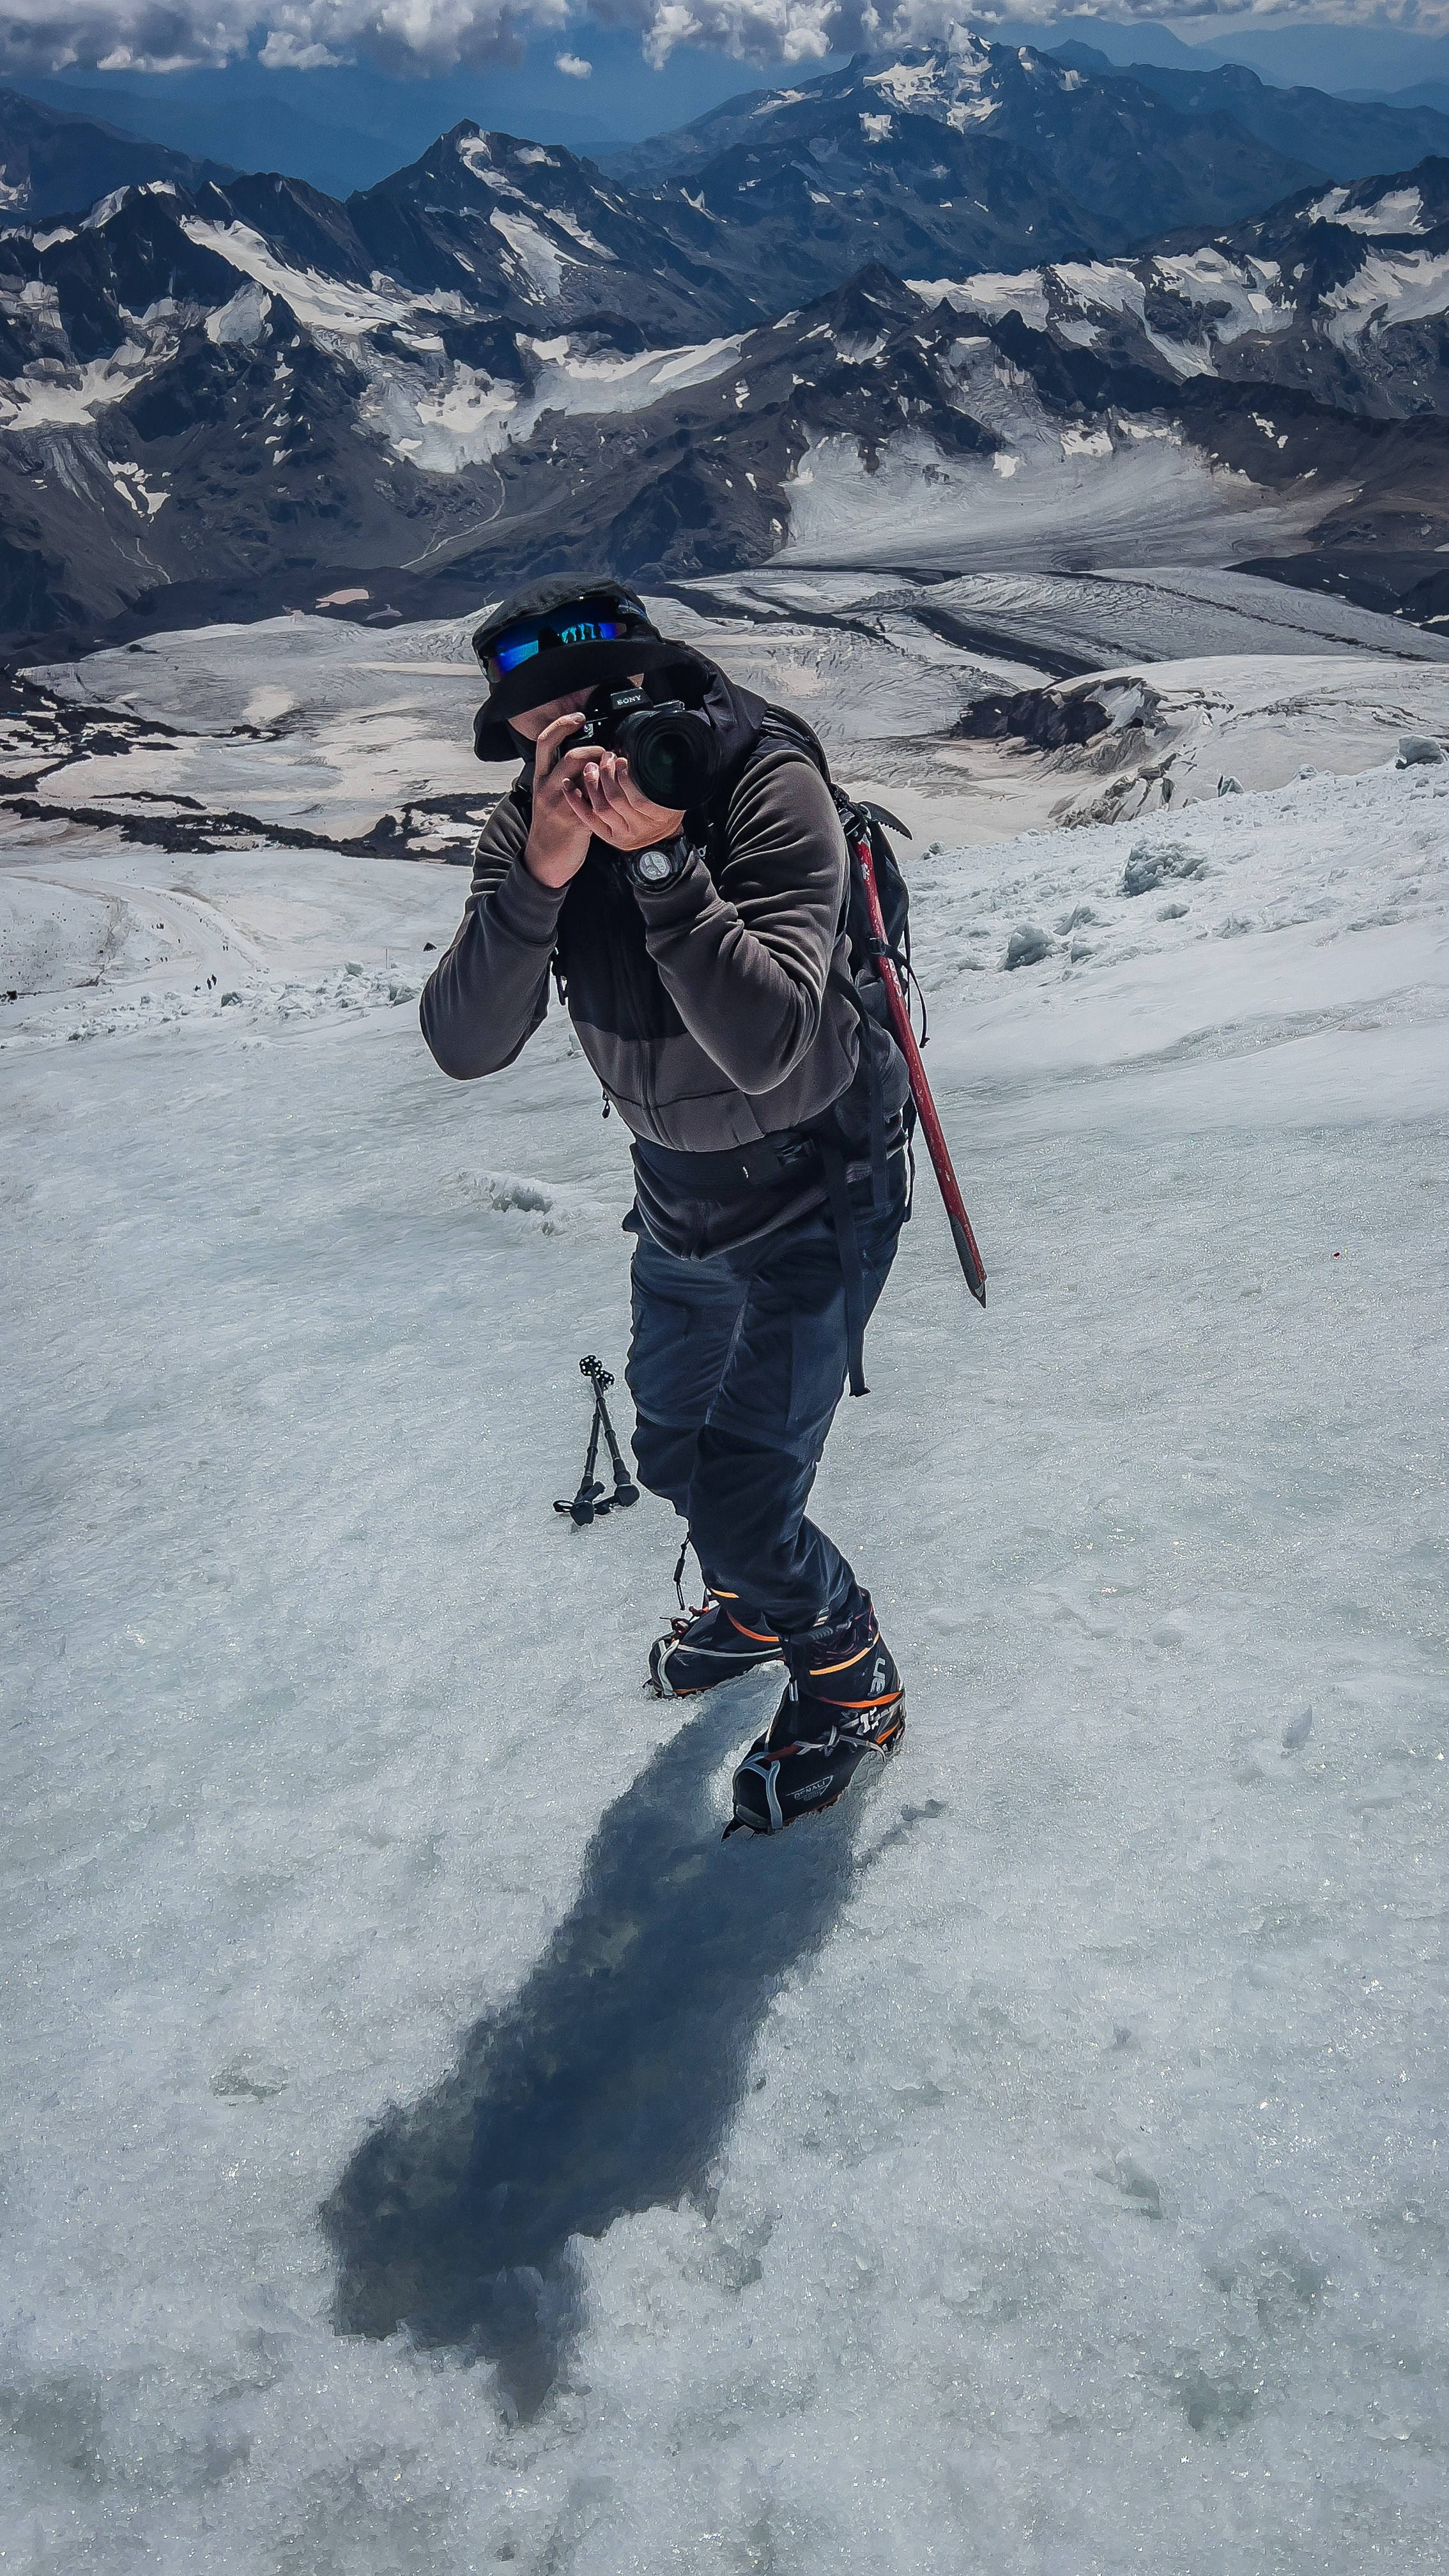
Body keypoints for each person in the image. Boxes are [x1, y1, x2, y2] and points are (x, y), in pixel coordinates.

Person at [420, 580, 913, 1837]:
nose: (580, 757)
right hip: (677, 1194)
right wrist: (539, 872)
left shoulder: (759, 783)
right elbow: (465, 1042)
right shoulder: (531, 829)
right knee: (674, 1450)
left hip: (816, 1191)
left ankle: (848, 1681)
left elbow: (783, 1054)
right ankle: (760, 1598)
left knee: (747, 1495)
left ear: (658, 689)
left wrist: (662, 864)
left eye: (598, 716)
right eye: (545, 738)